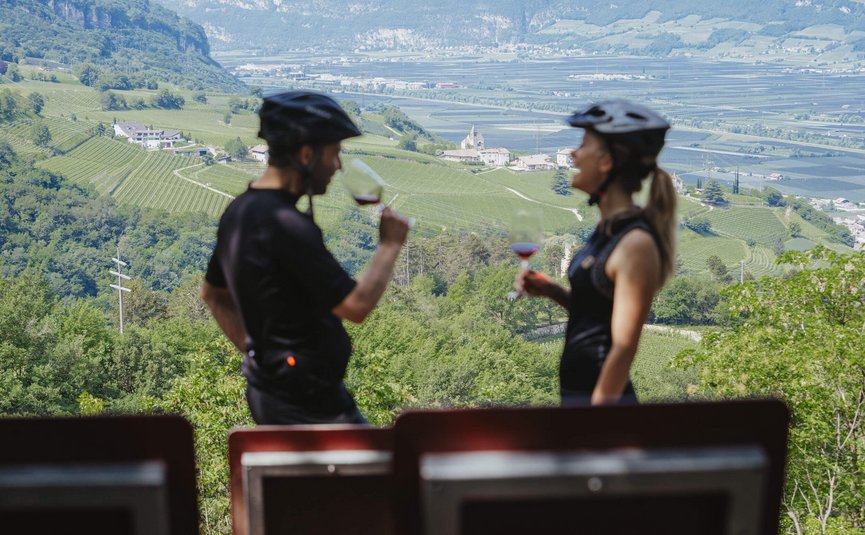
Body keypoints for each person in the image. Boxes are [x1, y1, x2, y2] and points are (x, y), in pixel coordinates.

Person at [201, 90, 410, 424]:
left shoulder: (240, 210)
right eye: (335, 153)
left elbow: (213, 294)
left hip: (274, 395)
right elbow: (355, 306)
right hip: (311, 407)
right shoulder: (285, 224)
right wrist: (389, 245)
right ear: (306, 153)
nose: (338, 166)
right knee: (390, 472)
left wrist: (258, 354)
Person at [516, 99, 677, 406]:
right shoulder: (610, 230)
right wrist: (552, 291)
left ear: (606, 161)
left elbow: (622, 347)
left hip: (602, 408)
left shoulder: (635, 244)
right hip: (579, 399)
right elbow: (595, 316)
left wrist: (595, 420)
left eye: (583, 144)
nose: (573, 154)